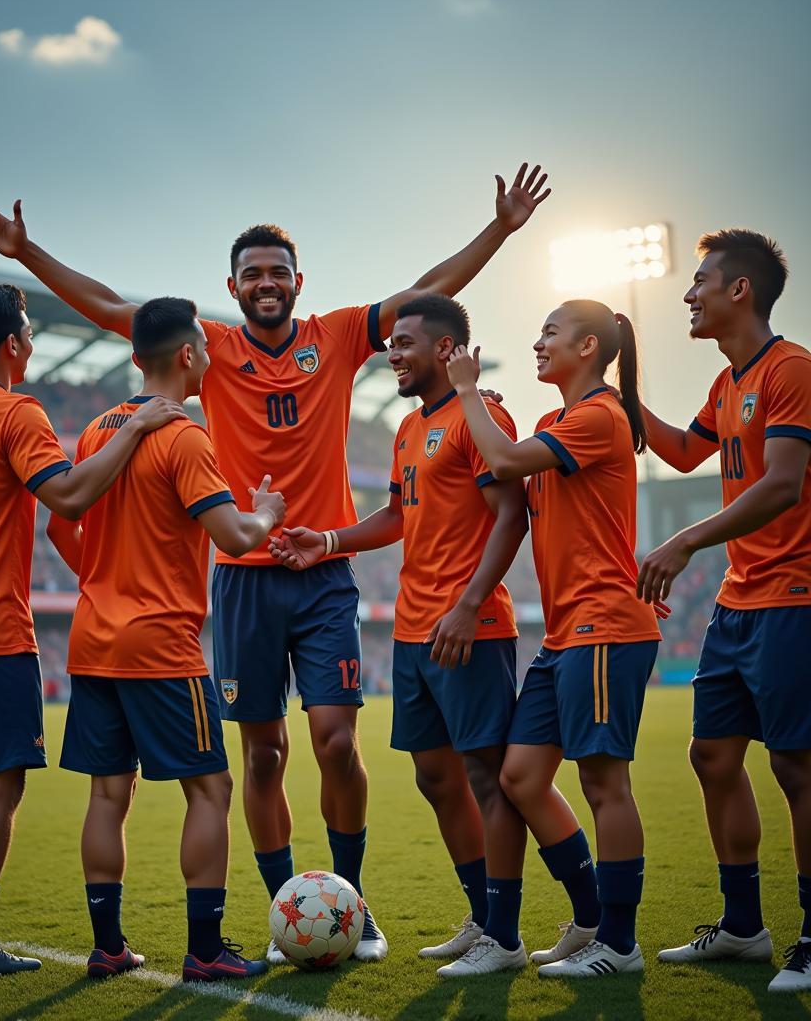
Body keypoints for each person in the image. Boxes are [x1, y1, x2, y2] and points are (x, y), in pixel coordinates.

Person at [0, 163, 551, 962]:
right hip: (241, 580)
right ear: (232, 289)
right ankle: (286, 909)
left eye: (278, 272)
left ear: (298, 281)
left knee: (337, 742)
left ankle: (353, 905)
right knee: (262, 752)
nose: (266, 283)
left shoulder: (339, 335)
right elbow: (107, 308)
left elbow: (424, 292)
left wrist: (501, 230)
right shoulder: (211, 347)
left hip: (322, 578)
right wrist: (28, 253)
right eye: (252, 275)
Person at [0, 282, 184, 979]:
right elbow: (70, 495)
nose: (32, 342)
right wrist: (135, 429)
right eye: (27, 331)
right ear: (12, 343)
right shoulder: (16, 412)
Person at [268, 294, 530, 978]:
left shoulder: (485, 416)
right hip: (414, 631)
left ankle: (504, 934)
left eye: (406, 344)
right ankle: (481, 916)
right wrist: (326, 540)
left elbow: (511, 517)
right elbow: (395, 515)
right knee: (436, 776)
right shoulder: (409, 429)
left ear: (447, 350)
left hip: (467, 626)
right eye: (390, 345)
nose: (393, 355)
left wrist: (471, 604)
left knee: (487, 777)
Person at [47, 297, 285, 982]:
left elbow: (64, 526)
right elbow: (236, 536)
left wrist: (104, 580)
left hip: (94, 641)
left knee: (106, 796)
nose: (210, 360)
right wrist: (265, 511)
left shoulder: (97, 430)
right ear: (187, 356)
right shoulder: (184, 435)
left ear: (133, 356)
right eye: (205, 351)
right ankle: (206, 951)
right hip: (160, 647)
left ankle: (107, 946)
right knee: (210, 790)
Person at [446, 300, 664, 977]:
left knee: (603, 783)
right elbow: (511, 456)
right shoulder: (556, 421)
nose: (538, 343)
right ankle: (593, 917)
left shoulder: (601, 416)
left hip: (605, 627)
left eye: (550, 333)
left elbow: (505, 461)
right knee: (520, 775)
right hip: (567, 633)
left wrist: (462, 396)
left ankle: (618, 945)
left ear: (589, 346)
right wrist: (482, 406)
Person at [634, 230, 811, 993]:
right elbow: (677, 451)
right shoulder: (727, 382)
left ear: (740, 290)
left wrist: (686, 540)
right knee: (713, 757)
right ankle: (744, 928)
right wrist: (621, 379)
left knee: (797, 768)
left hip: (794, 598)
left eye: (700, 280)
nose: (688, 293)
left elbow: (781, 485)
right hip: (740, 603)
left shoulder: (792, 369)